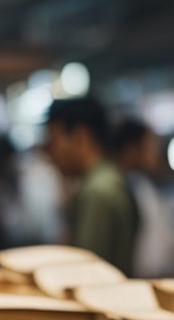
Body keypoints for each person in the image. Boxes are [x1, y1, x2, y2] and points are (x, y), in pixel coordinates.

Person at [46, 97, 137, 274]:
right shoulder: (109, 178)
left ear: (80, 137)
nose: (51, 153)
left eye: (54, 141)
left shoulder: (97, 190)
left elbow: (85, 272)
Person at [113, 118, 174, 278]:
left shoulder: (143, 184)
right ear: (131, 149)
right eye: (150, 146)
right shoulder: (126, 187)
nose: (155, 152)